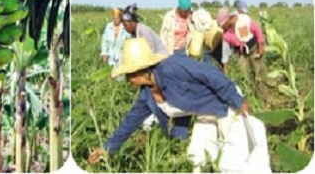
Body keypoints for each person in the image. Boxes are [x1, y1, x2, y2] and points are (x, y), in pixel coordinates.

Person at [87, 38, 268, 172]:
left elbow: (210, 74)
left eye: (128, 74)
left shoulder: (172, 67)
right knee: (195, 160)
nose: (127, 80)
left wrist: (237, 99)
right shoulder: (147, 95)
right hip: (205, 114)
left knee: (231, 163)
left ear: (138, 71)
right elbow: (129, 124)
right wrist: (106, 148)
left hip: (225, 103)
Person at [217, 7, 270, 103]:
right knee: (243, 75)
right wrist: (225, 68)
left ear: (227, 20)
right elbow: (225, 52)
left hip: (254, 48)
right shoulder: (226, 34)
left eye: (222, 25)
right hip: (241, 53)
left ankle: (263, 99)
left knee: (259, 74)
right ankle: (248, 99)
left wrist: (261, 46)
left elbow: (257, 30)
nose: (222, 28)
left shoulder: (243, 20)